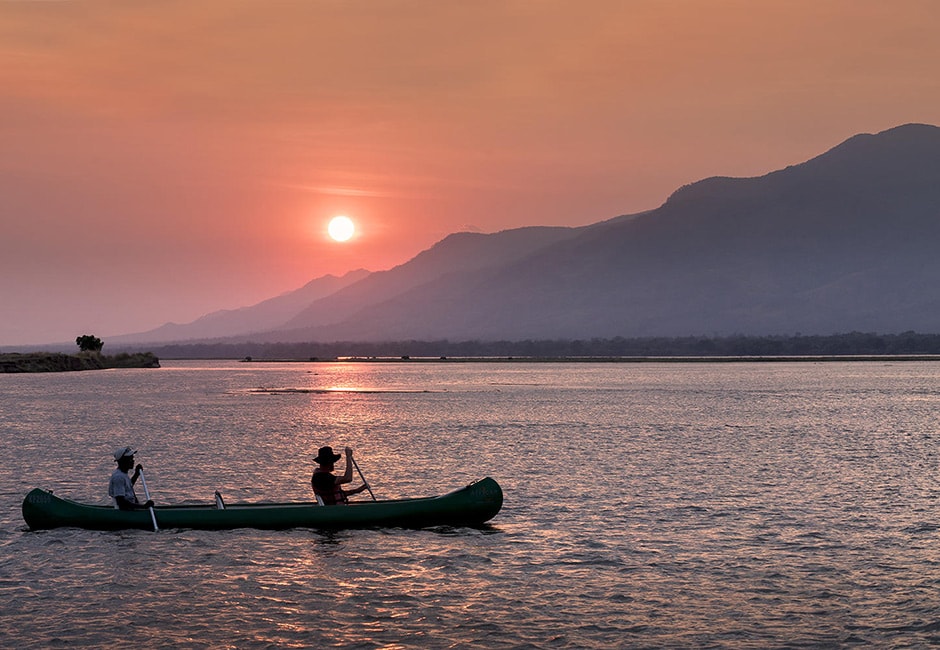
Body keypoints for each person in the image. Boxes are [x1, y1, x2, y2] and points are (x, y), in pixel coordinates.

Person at [108, 446, 154, 510]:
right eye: (130, 459)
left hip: (130, 508)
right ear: (122, 461)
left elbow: (128, 487)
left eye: (132, 459)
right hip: (124, 511)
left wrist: (136, 474)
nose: (133, 461)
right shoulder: (118, 477)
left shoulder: (123, 474)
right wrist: (143, 506)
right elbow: (121, 502)